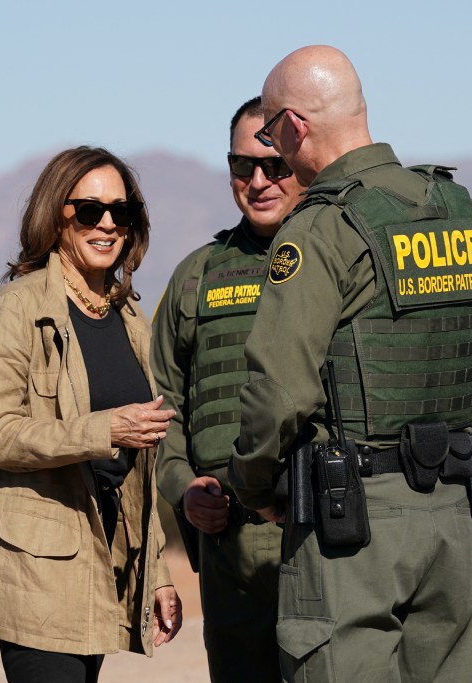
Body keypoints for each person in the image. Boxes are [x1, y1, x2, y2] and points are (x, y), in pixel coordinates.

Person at [228, 46, 472, 682]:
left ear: (296, 127)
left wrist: (252, 486)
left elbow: (279, 392)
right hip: (449, 506)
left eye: (273, 132)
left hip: (349, 517)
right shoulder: (454, 209)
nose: (274, 149)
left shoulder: (320, 229)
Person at [0, 146, 182, 683]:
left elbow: (140, 470)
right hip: (34, 564)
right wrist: (105, 428)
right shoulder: (19, 308)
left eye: (121, 211)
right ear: (55, 215)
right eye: (89, 210)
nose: (107, 224)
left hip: (104, 553)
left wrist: (155, 571)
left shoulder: (129, 315)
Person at [152, 96, 306, 682]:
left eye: (275, 166)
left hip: (327, 537)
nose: (259, 181)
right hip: (230, 548)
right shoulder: (199, 274)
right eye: (243, 166)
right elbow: (161, 400)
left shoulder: (342, 258)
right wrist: (183, 487)